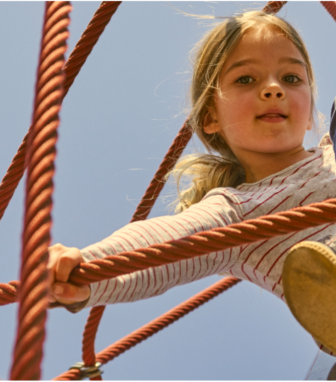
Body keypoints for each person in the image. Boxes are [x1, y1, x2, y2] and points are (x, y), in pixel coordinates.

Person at [47, 10, 336, 353]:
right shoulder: (238, 210)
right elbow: (165, 241)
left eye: (291, 78)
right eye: (246, 80)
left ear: (308, 114)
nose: (273, 89)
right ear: (211, 117)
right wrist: (88, 267)